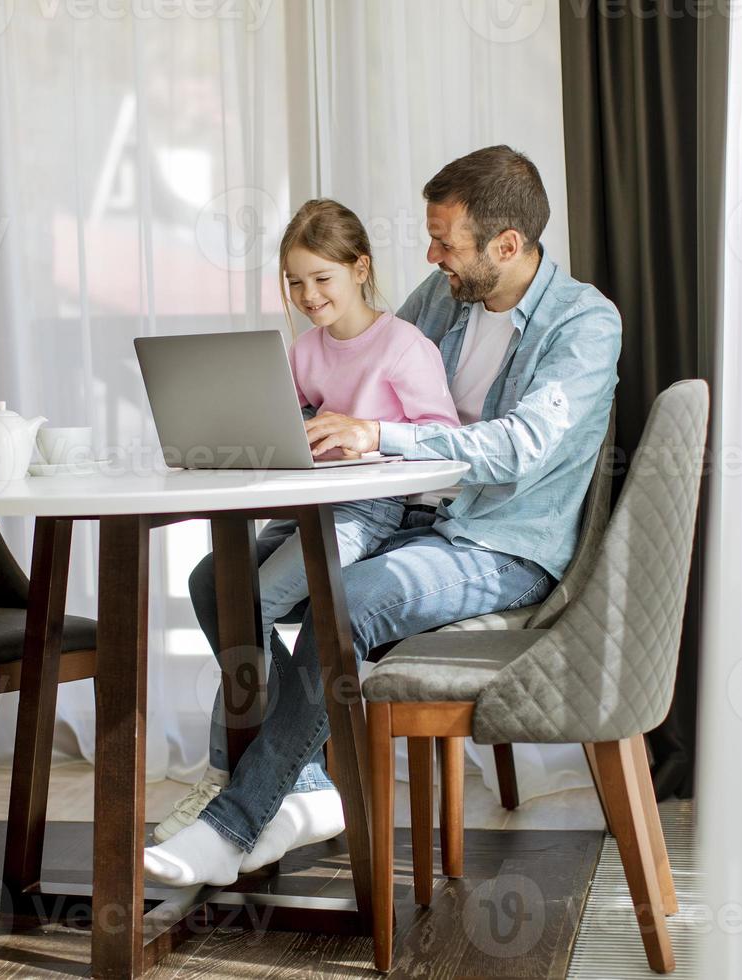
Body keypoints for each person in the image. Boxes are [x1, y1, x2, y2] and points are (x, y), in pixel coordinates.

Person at [145, 145, 621, 888]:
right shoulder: (444, 296)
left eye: (446, 242)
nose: (431, 256)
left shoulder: (584, 324)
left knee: (350, 602)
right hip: (407, 520)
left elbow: (522, 447)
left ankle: (235, 820)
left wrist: (380, 435)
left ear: (507, 245)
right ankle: (303, 789)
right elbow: (370, 363)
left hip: (500, 543)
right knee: (217, 580)